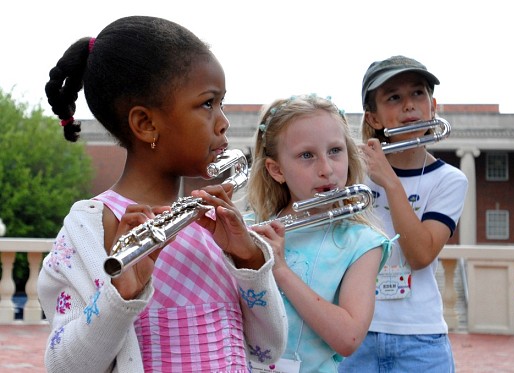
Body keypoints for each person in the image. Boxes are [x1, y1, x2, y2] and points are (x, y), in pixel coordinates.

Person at [37, 16, 287, 372]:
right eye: (207, 104)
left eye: (221, 103)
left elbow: (269, 350)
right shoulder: (90, 231)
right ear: (146, 124)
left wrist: (249, 262)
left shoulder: (217, 226)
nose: (223, 121)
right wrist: (120, 295)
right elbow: (64, 366)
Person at [338, 56, 468, 372]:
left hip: (421, 340)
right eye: (394, 97)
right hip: (354, 333)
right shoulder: (348, 175)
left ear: (433, 106)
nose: (409, 105)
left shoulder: (450, 180)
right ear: (374, 116)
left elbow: (420, 253)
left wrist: (390, 181)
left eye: (418, 94)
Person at [246, 94, 393, 372]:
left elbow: (348, 338)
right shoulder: (251, 227)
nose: (326, 169)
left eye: (335, 151)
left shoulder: (362, 242)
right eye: (306, 155)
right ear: (276, 170)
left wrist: (280, 269)